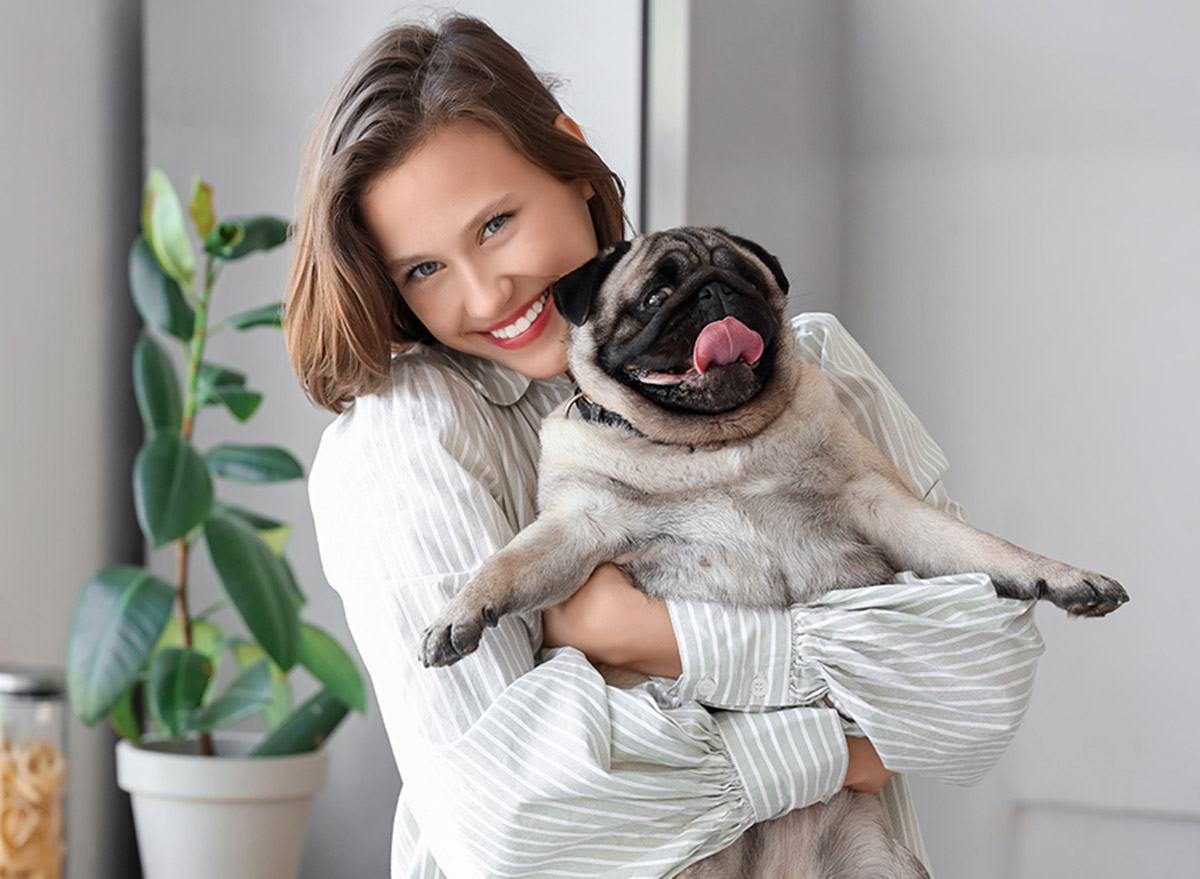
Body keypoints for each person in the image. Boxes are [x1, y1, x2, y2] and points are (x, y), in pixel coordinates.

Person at [284, 15, 1043, 879]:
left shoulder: (810, 362)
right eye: (423, 269)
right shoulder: (406, 446)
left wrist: (652, 636)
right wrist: (847, 748)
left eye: (495, 223)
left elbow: (985, 680)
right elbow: (507, 823)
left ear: (570, 161)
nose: (486, 290)